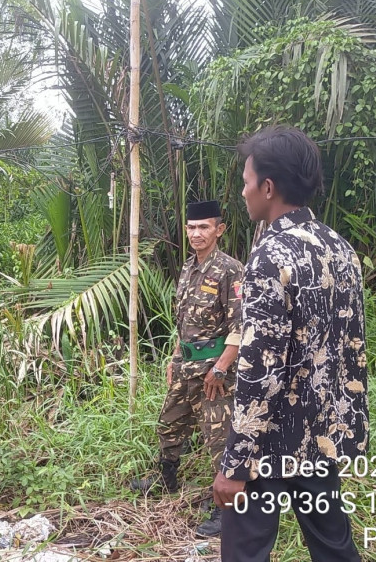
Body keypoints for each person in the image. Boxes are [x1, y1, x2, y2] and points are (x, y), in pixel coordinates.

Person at [213, 126, 368, 561]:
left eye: (246, 182)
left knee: (245, 550)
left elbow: (260, 369)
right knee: (334, 546)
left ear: (268, 187)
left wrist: (236, 463)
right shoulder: (340, 248)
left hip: (270, 441)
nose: (243, 193)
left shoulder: (269, 257)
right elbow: (350, 349)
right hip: (321, 436)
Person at [131, 200, 244, 538]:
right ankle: (166, 478)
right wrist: (175, 357)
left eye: (204, 227)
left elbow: (241, 326)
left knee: (218, 439)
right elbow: (185, 322)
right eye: (192, 227)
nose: (196, 233)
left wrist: (222, 368)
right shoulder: (188, 267)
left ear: (219, 230)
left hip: (214, 372)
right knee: (170, 423)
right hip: (186, 364)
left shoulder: (231, 270)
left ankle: (225, 510)